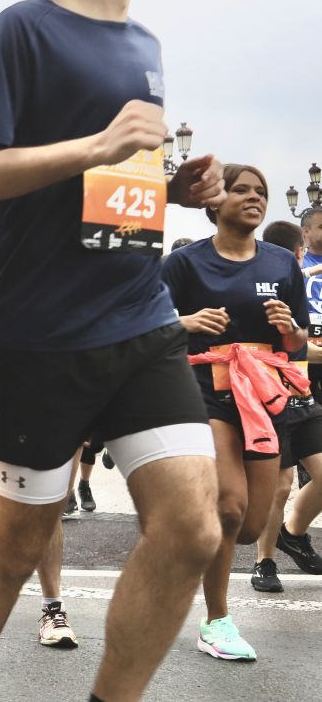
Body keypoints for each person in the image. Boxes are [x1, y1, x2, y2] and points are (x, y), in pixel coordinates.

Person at [0, 0, 226, 702]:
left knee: (192, 529)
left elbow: (106, 189)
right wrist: (100, 146)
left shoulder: (146, 42)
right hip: (36, 335)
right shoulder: (20, 30)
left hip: (138, 319)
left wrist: (171, 190)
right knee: (16, 547)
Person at [162, 165, 309, 661]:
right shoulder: (184, 264)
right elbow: (143, 323)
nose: (253, 198)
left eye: (261, 191)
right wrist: (185, 321)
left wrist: (289, 329)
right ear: (214, 203)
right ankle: (217, 621)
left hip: (263, 396)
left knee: (246, 527)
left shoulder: (281, 263)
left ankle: (198, 538)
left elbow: (299, 345)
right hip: (205, 391)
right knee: (228, 507)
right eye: (240, 189)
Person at [0, 254, 80, 649]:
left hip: (67, 400)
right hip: (4, 400)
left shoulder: (82, 262)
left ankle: (52, 608)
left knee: (52, 508)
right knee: (4, 525)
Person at [252, 219, 322, 591]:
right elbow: (289, 345)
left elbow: (301, 342)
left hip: (301, 393)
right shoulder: (264, 286)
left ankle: (292, 533)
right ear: (297, 250)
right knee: (279, 485)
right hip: (270, 397)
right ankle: (264, 562)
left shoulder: (300, 284)